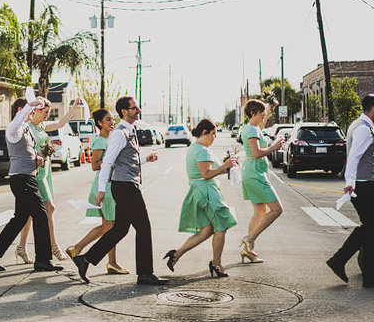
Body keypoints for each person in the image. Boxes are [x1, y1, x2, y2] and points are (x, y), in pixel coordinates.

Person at [72, 96, 167, 285]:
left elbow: (126, 160)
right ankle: (145, 273)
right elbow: (107, 162)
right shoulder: (119, 134)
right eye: (134, 108)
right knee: (144, 227)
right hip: (124, 186)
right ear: (124, 111)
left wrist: (146, 160)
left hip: (126, 184)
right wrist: (101, 190)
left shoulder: (130, 131)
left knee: (120, 229)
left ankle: (85, 259)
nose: (138, 110)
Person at [0, 98, 63, 273]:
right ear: (21, 110)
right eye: (31, 109)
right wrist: (29, 105)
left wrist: (37, 158)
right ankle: (43, 260)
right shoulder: (13, 129)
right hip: (21, 179)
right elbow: (18, 121)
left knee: (20, 219)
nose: (34, 111)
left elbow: (27, 151)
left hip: (27, 177)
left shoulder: (27, 129)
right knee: (41, 215)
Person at [326, 94, 374, 287]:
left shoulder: (357, 125)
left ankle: (339, 260)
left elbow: (364, 157)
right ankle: (370, 276)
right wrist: (350, 182)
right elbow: (354, 157)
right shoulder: (364, 129)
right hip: (364, 186)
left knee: (369, 228)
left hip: (365, 181)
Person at [163, 119, 238, 278]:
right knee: (221, 226)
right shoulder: (202, 150)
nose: (214, 137)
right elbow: (206, 174)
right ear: (204, 132)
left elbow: (208, 172)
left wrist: (227, 168)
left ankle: (176, 254)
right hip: (207, 192)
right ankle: (216, 264)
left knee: (207, 230)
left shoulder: (194, 147)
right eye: (213, 133)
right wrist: (225, 167)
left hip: (199, 190)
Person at [16, 96, 84, 263]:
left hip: (45, 171)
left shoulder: (40, 126)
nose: (47, 115)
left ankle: (21, 247)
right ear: (37, 110)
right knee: (49, 208)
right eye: (45, 112)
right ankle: (54, 247)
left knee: (31, 213)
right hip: (35, 171)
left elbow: (61, 123)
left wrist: (74, 107)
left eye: (48, 112)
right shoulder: (28, 127)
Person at [65, 108, 127, 274]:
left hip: (109, 185)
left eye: (112, 119)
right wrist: (111, 160)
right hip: (104, 187)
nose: (112, 122)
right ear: (100, 123)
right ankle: (111, 262)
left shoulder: (111, 139)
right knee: (111, 227)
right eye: (108, 119)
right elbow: (94, 165)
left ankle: (76, 249)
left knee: (107, 226)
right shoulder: (101, 141)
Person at [238, 99, 284, 263]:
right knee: (277, 210)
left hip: (254, 171)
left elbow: (264, 120)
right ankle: (249, 239)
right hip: (255, 173)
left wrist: (271, 107)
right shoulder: (251, 130)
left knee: (259, 211)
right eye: (262, 112)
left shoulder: (254, 128)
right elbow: (257, 153)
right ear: (253, 113)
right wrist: (275, 146)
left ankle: (248, 250)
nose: (265, 115)